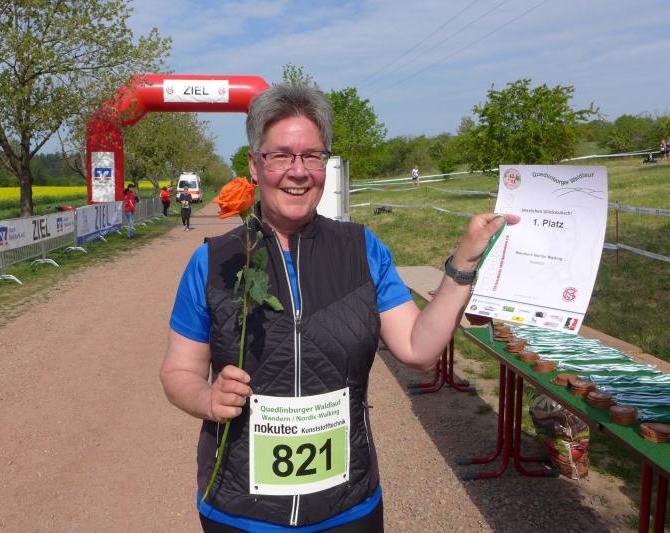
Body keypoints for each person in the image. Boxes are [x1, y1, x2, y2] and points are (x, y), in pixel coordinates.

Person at [159, 84, 518, 532]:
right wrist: (207, 399)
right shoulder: (213, 261)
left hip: (347, 508)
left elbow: (418, 349)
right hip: (239, 510)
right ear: (254, 164)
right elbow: (179, 373)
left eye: (312, 156)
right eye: (281, 156)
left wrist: (462, 265)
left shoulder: (362, 249)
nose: (298, 172)